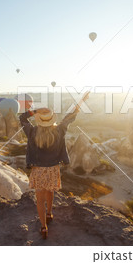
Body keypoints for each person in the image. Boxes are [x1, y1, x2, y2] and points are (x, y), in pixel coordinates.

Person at [19, 92, 89, 239]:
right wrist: (80, 102)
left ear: (39, 119)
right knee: (50, 191)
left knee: (39, 199)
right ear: (52, 120)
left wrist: (35, 111)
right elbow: (69, 117)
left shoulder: (31, 131)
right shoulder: (59, 130)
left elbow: (22, 117)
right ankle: (50, 213)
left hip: (38, 170)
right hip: (52, 169)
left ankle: (43, 227)